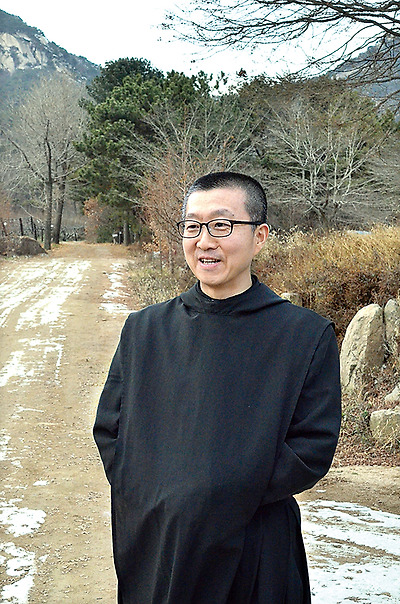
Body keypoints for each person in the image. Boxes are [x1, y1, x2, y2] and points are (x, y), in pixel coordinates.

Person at [93, 172, 341, 603]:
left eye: (222, 225)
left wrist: (216, 496)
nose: (204, 241)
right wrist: (154, 497)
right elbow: (111, 430)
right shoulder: (145, 330)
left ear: (259, 237)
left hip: (255, 544)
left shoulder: (303, 335)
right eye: (192, 226)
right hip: (158, 543)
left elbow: (311, 447)